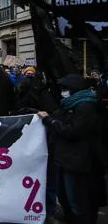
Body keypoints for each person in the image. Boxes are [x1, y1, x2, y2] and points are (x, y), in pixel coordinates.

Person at [38, 74, 106, 224]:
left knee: (76, 199)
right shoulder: (70, 104)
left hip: (77, 161)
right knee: (64, 196)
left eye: (65, 88)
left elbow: (72, 131)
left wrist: (50, 120)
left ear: (74, 89)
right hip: (66, 158)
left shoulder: (86, 106)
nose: (63, 92)